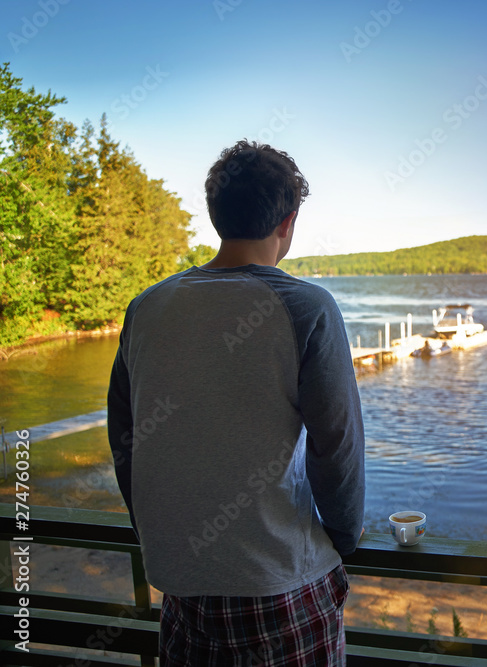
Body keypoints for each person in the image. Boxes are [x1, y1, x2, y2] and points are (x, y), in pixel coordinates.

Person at [107, 140, 365, 666]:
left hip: (183, 589)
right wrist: (342, 538)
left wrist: (159, 533)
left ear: (215, 213)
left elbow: (125, 437)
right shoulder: (307, 307)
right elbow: (336, 444)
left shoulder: (146, 308)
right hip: (280, 588)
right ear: (288, 222)